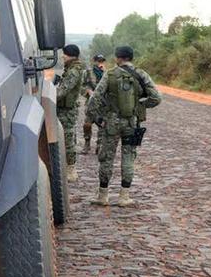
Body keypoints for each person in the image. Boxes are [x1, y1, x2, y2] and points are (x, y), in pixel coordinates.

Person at [86, 46, 162, 207]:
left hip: (111, 122)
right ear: (131, 57)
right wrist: (140, 105)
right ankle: (124, 197)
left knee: (107, 157)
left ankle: (103, 195)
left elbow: (94, 99)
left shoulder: (110, 74)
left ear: (118, 58)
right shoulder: (141, 74)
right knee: (128, 156)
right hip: (132, 122)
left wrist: (96, 117)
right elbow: (156, 98)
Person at [55, 44, 85, 182]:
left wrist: (50, 97)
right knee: (67, 138)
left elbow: (63, 91)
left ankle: (71, 170)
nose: (62, 56)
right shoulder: (72, 69)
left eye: (64, 54)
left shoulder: (74, 71)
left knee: (68, 140)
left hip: (67, 111)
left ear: (70, 55)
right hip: (64, 109)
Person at [82, 54, 107, 155]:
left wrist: (105, 72)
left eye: (101, 61)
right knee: (87, 124)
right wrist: (87, 91)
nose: (100, 63)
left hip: (103, 103)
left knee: (102, 124)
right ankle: (87, 144)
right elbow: (80, 86)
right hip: (91, 102)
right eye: (98, 61)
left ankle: (99, 145)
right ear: (94, 61)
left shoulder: (107, 73)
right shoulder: (87, 72)